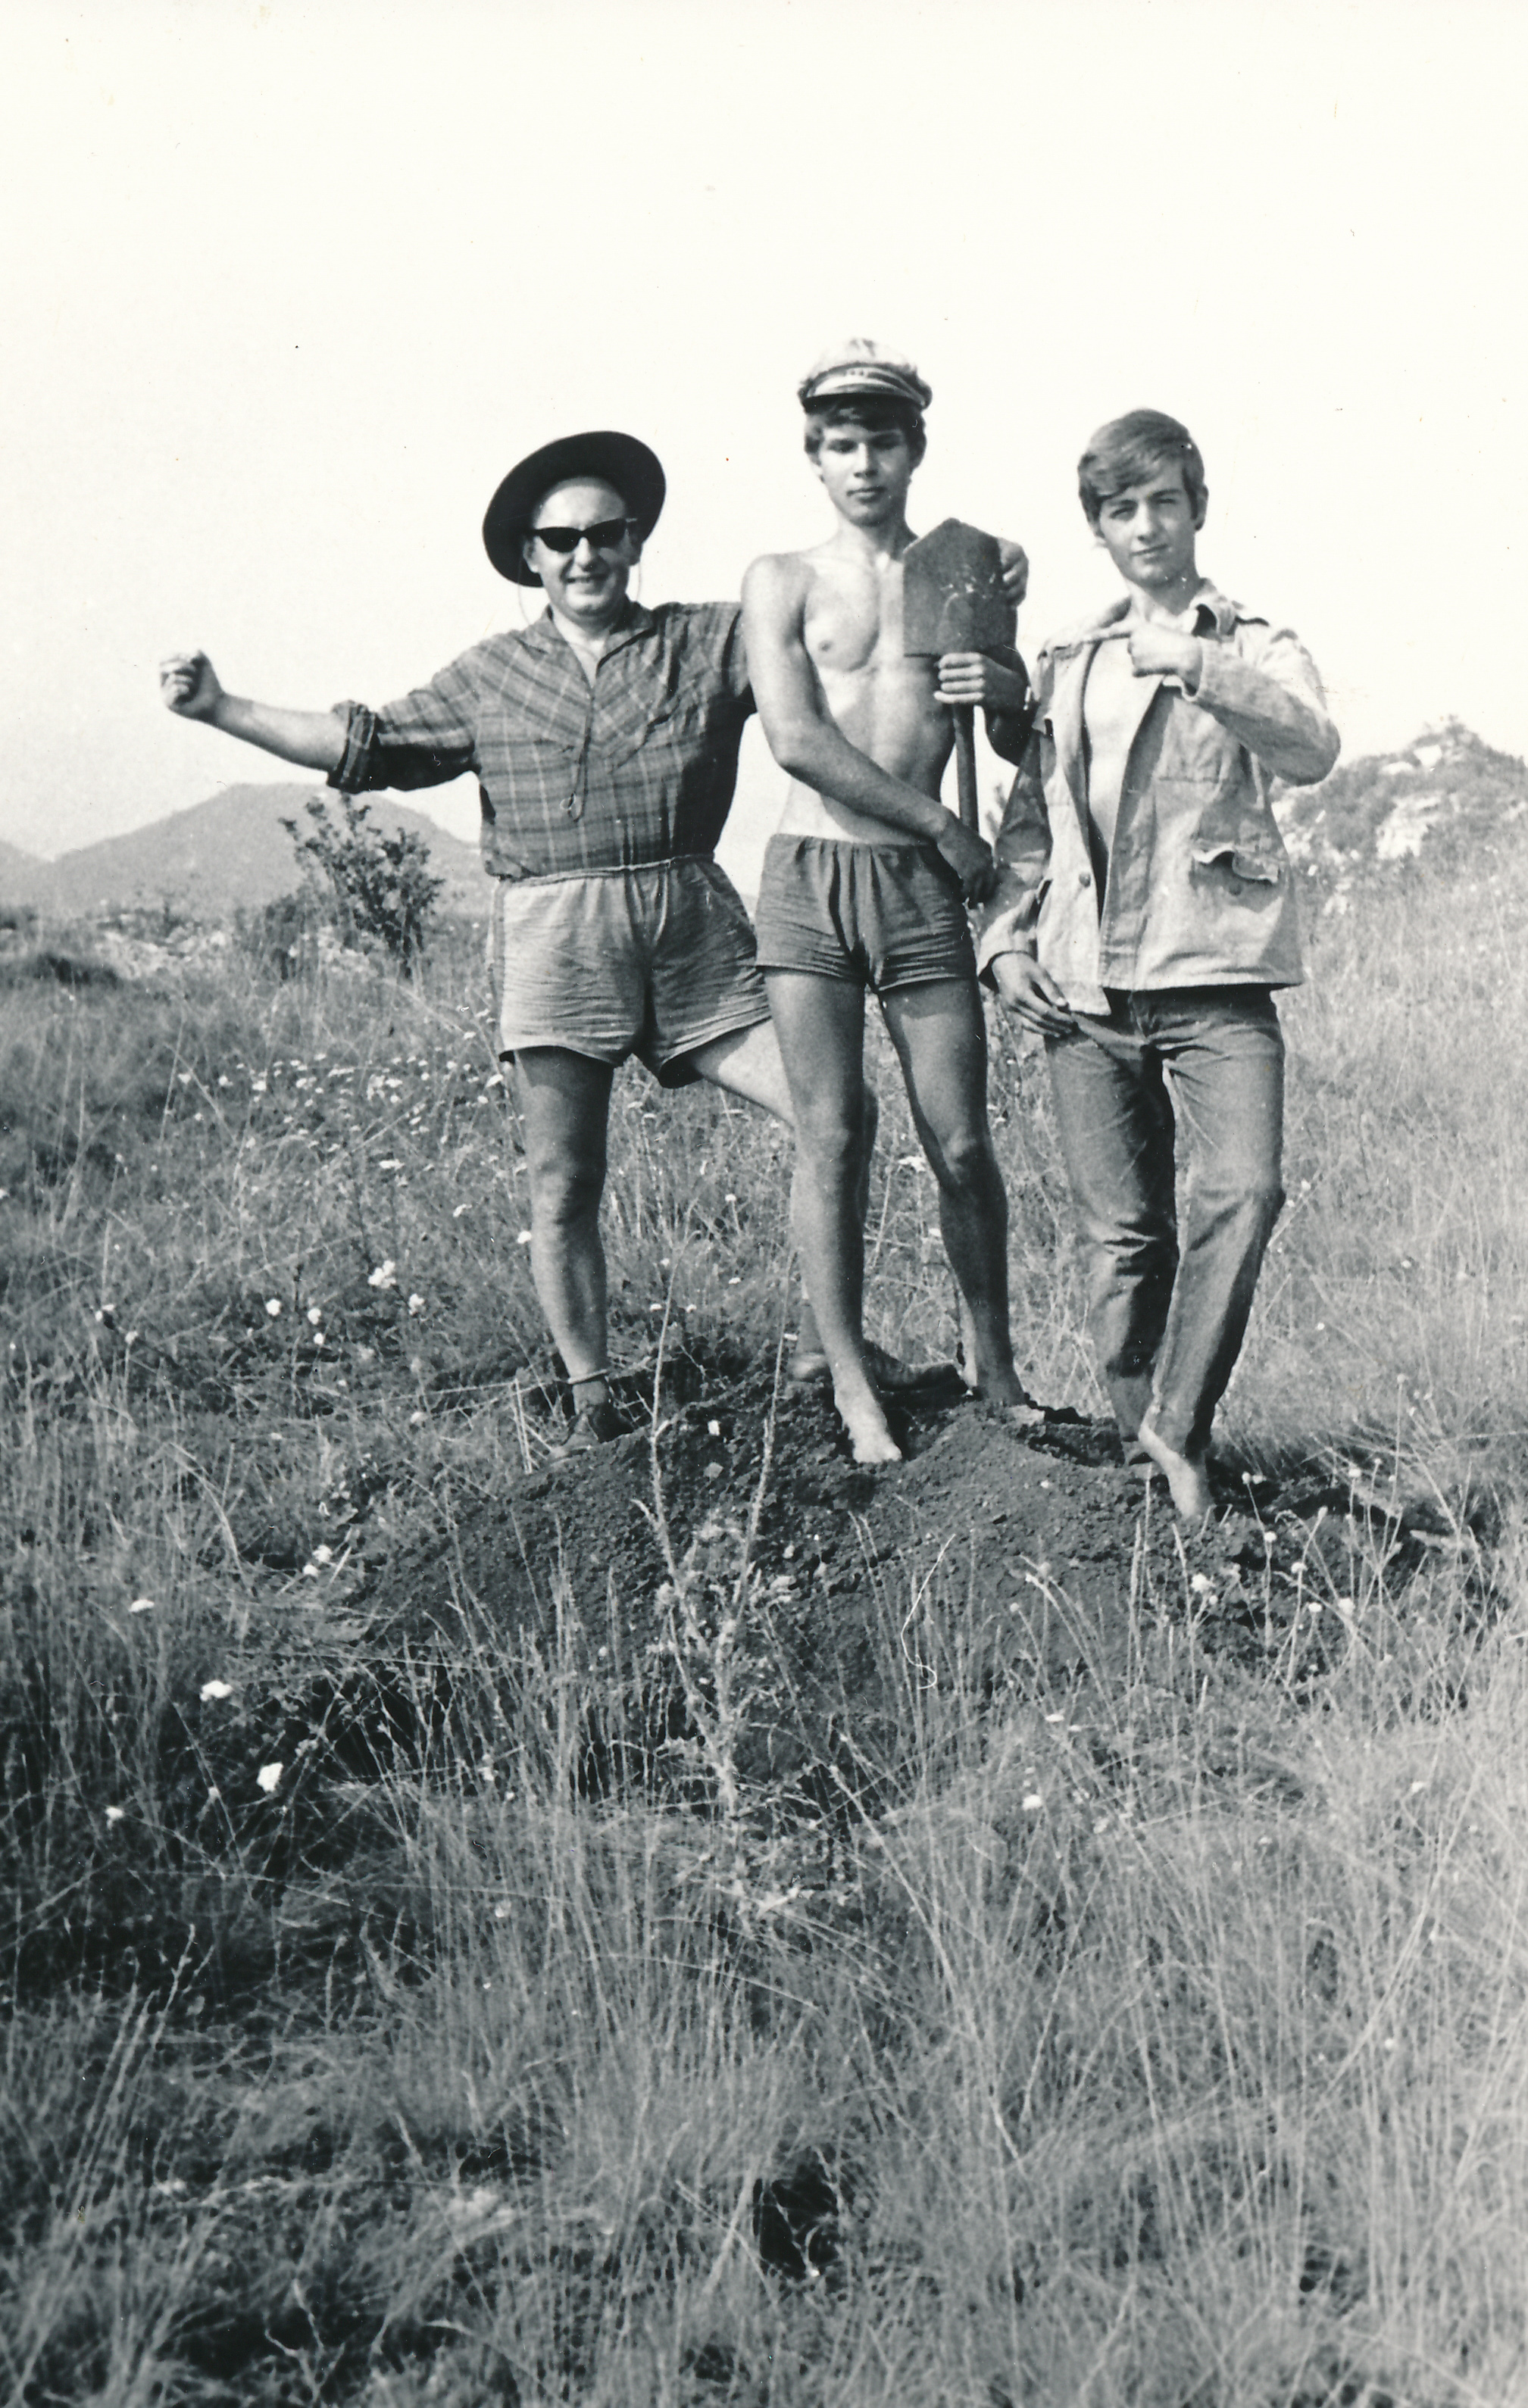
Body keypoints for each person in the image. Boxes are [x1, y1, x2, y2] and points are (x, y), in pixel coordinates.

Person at [160, 429, 879, 1452]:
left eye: (604, 534)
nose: (586, 556)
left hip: (693, 926)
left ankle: (824, 1352)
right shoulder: (490, 677)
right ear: (528, 558)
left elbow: (834, 636)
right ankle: (593, 1400)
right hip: (555, 936)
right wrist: (219, 707)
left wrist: (948, 584)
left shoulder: (709, 639)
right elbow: (366, 745)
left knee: (836, 1111)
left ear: (635, 540)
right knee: (563, 1178)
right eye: (561, 541)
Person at [981, 409, 1340, 1517]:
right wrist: (1001, 941)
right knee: (1121, 1238)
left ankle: (1178, 1424)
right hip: (1084, 988)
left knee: (1245, 1189)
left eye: (1164, 503)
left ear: (1198, 508)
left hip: (1212, 975)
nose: (1145, 527)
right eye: (1121, 509)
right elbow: (1031, 823)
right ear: (1096, 526)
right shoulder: (1070, 659)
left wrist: (1202, 666)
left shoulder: (1251, 641)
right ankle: (1151, 1462)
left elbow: (1312, 748)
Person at [742, 340, 1041, 1465]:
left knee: (959, 1140)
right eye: (840, 445)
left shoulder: (963, 566)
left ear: (915, 450)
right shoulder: (781, 579)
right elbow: (796, 739)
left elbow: (1011, 738)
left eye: (881, 443)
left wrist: (1001, 687)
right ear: (814, 458)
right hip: (813, 874)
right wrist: (943, 828)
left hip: (918, 894)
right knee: (831, 1134)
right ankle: (853, 1386)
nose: (862, 465)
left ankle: (997, 1374)